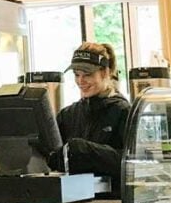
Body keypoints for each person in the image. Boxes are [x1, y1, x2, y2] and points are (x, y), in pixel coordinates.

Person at [55, 42, 131, 194]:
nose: (81, 81)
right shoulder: (67, 115)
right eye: (77, 75)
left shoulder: (123, 111)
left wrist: (87, 151)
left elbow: (131, 162)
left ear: (105, 72)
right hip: (73, 200)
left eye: (87, 74)